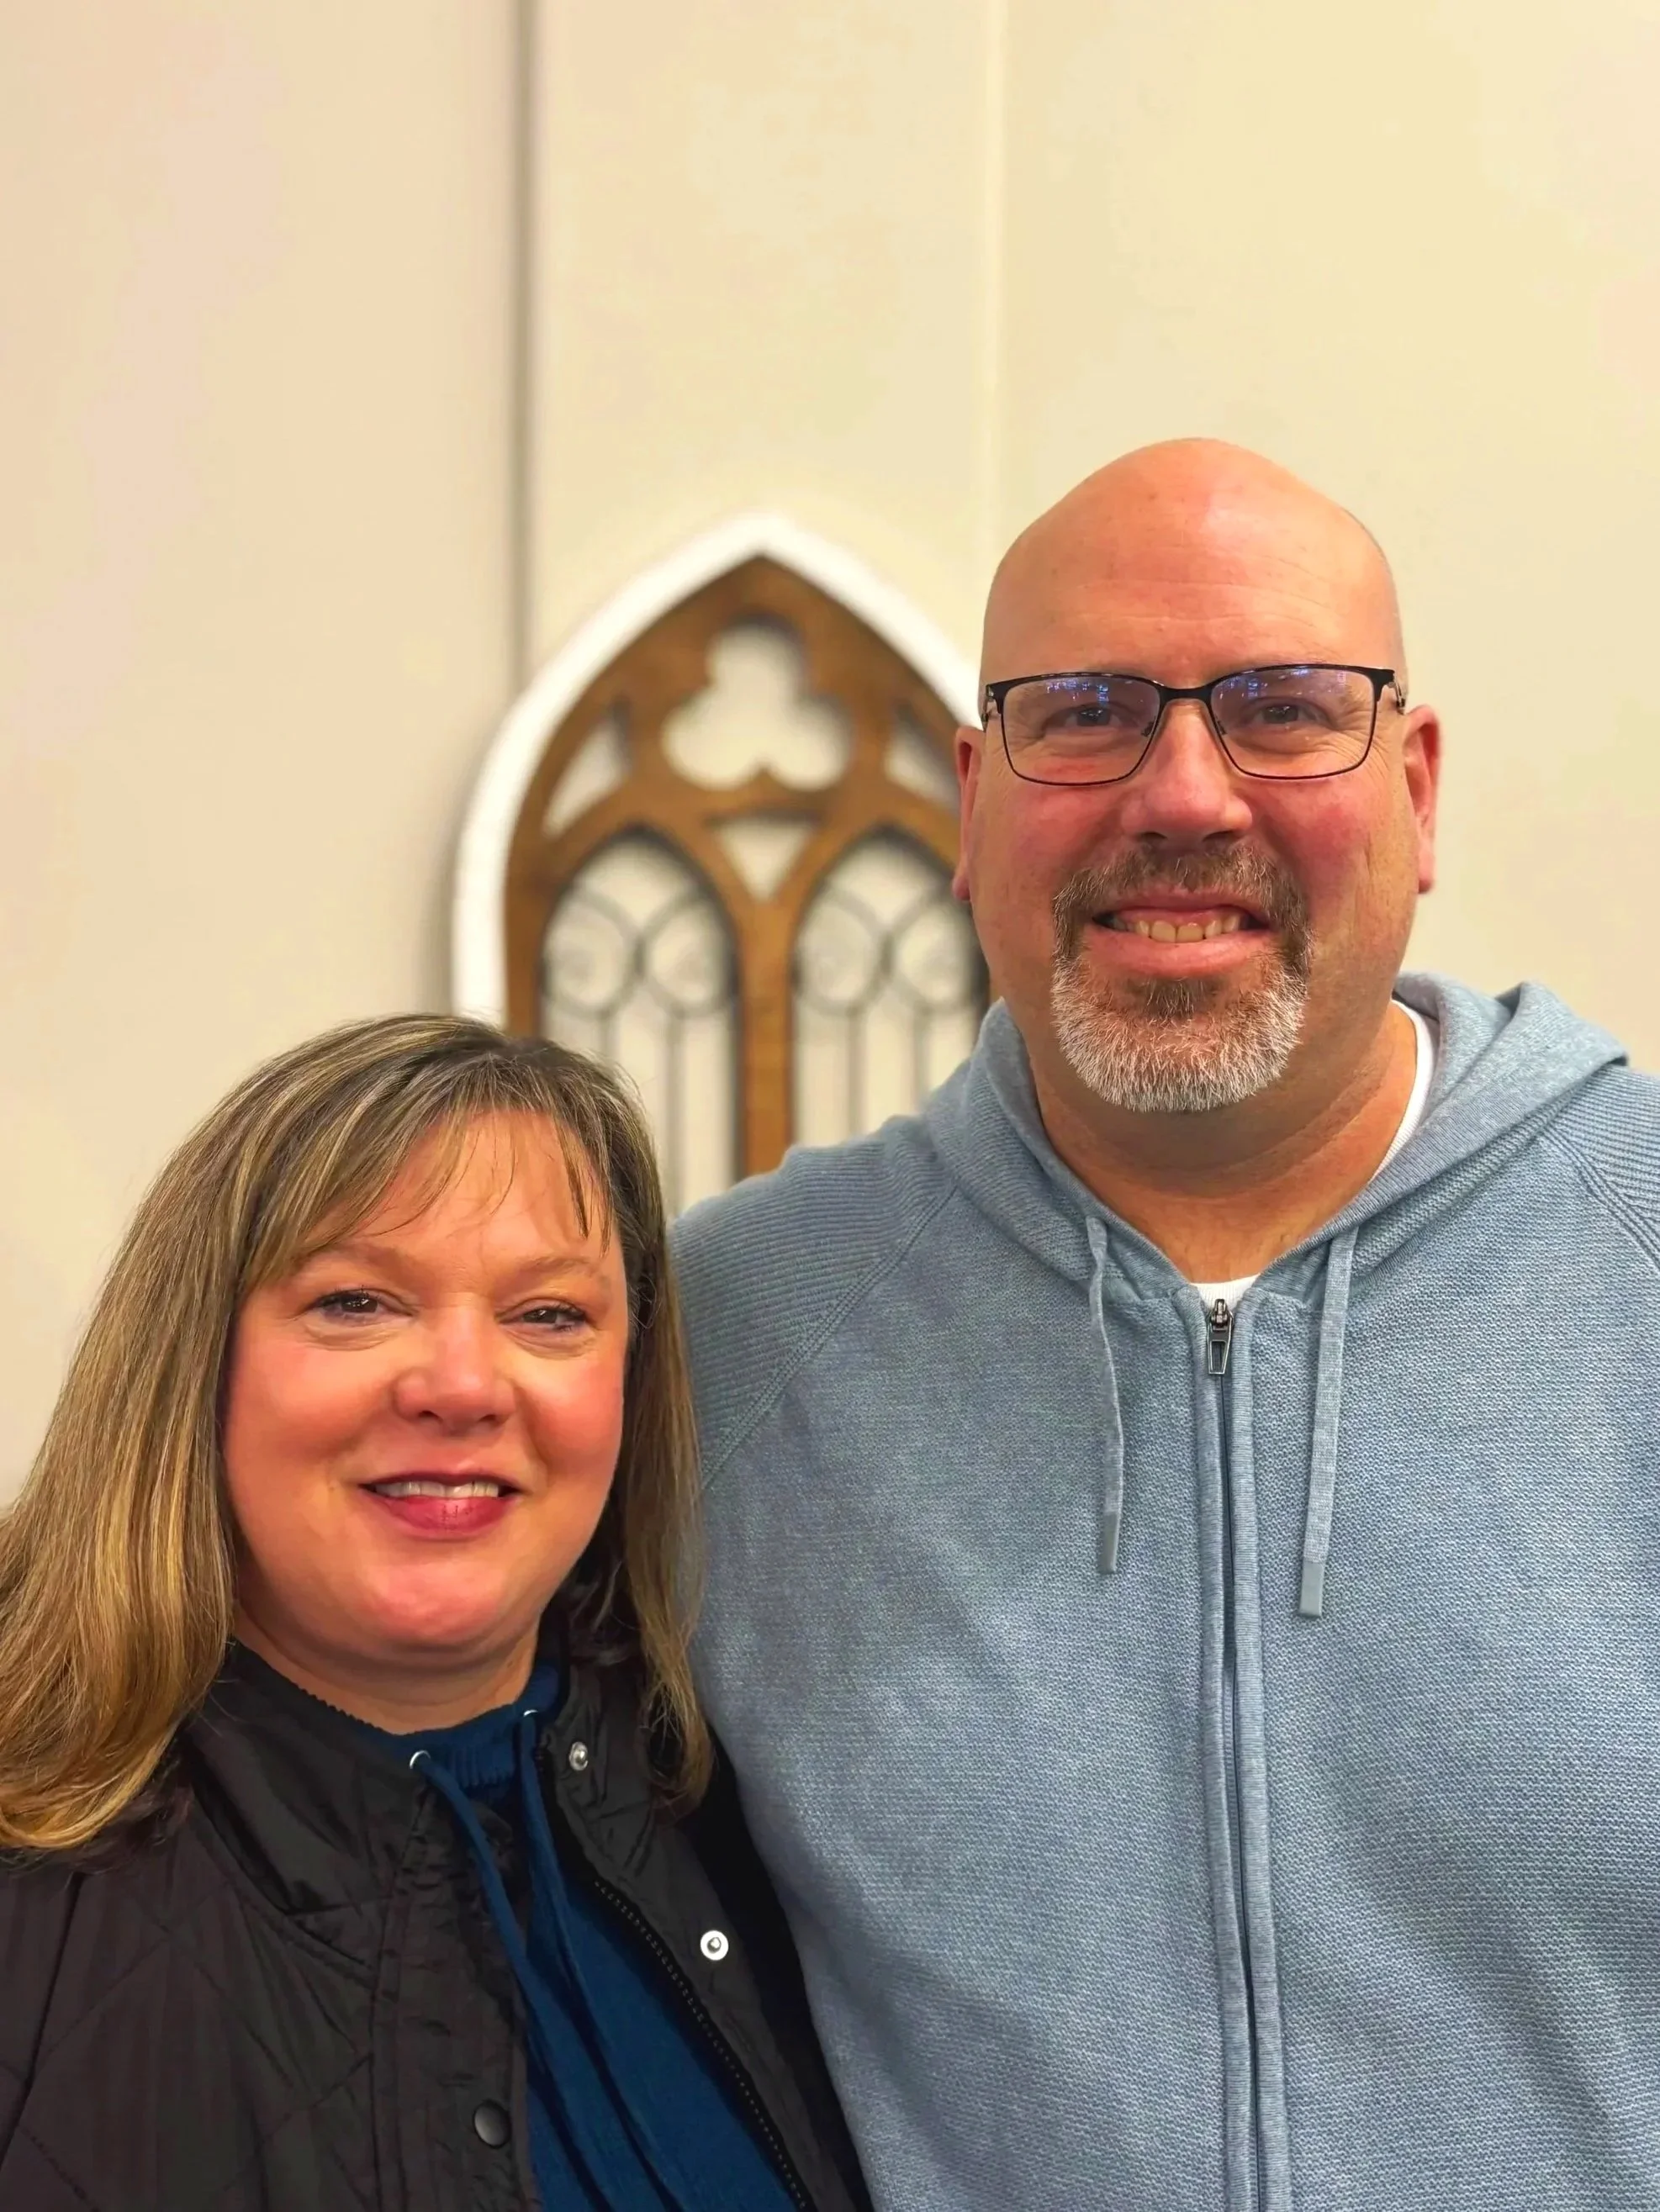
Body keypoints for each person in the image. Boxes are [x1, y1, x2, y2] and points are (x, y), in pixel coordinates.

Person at [673, 439, 1660, 2211]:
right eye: (1087, 711)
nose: (1185, 793)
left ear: (1417, 790)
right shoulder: (732, 1337)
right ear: (973, 802)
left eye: (1285, 709)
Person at [0, 1017, 870, 2212]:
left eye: (550, 1314)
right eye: (357, 1301)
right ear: (195, 1362)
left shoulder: (739, 1812)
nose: (460, 1384)